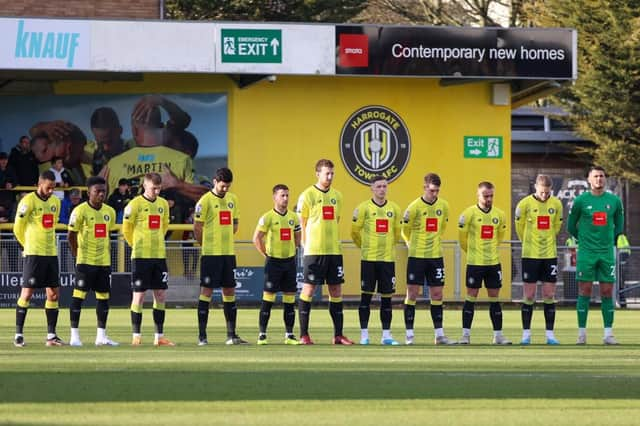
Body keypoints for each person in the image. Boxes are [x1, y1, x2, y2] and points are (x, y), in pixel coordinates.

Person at [296, 159, 353, 345]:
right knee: (309, 289)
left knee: (336, 290)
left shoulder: (338, 196)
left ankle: (338, 335)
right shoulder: (307, 195)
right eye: (326, 173)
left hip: (334, 251)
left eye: (332, 173)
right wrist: (305, 246)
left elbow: (335, 220)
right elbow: (302, 223)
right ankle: (304, 335)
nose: (330, 176)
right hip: (314, 251)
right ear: (317, 174)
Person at [567, 166, 624, 345]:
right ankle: (582, 334)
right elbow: (570, 226)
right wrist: (584, 240)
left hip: (606, 253)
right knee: (585, 291)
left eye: (602, 176)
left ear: (605, 179)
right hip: (586, 253)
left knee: (607, 292)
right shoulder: (581, 201)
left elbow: (619, 227)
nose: (599, 179)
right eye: (596, 176)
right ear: (589, 180)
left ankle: (608, 334)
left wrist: (607, 241)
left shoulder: (614, 201)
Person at [194, 167, 247, 345]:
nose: (225, 190)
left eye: (228, 186)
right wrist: (206, 245)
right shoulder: (205, 201)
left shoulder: (233, 200)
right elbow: (197, 228)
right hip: (211, 255)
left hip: (228, 254)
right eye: (223, 186)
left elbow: (235, 223)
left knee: (230, 291)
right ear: (215, 182)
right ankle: (202, 336)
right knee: (206, 292)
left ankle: (232, 335)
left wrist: (227, 235)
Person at [402, 173, 455, 345]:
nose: (435, 194)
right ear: (425, 188)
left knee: (437, 294)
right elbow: (405, 230)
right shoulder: (414, 207)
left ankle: (439, 335)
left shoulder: (444, 206)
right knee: (412, 293)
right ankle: (409, 335)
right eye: (432, 190)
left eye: (437, 191)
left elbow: (443, 226)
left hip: (436, 257)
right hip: (417, 256)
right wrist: (410, 243)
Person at [122, 172, 174, 346]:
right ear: (145, 186)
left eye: (159, 188)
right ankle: (136, 335)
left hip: (159, 256)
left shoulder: (164, 204)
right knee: (139, 296)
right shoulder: (134, 204)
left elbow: (165, 225)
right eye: (154, 188)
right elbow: (126, 230)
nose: (157, 192)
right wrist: (136, 244)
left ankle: (159, 337)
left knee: (160, 295)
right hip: (141, 257)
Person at [13, 171, 64, 347]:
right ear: (39, 184)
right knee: (27, 293)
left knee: (53, 293)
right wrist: (25, 246)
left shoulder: (56, 202)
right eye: (48, 187)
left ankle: (51, 336)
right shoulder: (28, 201)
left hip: (51, 253)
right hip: (33, 253)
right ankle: (18, 334)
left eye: (54, 187)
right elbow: (18, 228)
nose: (51, 191)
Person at [458, 181, 511, 345]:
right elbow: (462, 239)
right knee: (471, 297)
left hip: (493, 263)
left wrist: (491, 251)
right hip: (475, 263)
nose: (489, 199)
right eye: (485, 196)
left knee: (495, 298)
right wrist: (473, 253)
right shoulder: (468, 214)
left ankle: (498, 336)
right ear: (478, 195)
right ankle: (465, 336)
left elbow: (500, 237)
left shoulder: (499, 215)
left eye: (491, 196)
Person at [67, 176, 119, 347]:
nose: (101, 194)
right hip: (85, 261)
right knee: (78, 297)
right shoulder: (79, 211)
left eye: (103, 191)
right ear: (89, 192)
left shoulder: (109, 212)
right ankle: (74, 336)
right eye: (98, 191)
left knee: (104, 298)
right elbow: (71, 235)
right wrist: (77, 255)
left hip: (103, 262)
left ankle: (101, 337)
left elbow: (107, 233)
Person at [351, 175, 402, 345]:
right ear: (372, 188)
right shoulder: (363, 208)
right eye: (378, 186)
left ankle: (386, 335)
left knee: (387, 299)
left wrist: (388, 247)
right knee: (366, 297)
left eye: (384, 186)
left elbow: (396, 233)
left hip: (387, 260)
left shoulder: (394, 208)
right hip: (369, 260)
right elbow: (354, 232)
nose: (382, 189)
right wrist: (364, 247)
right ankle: (364, 335)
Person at [515, 174, 563, 345]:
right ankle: (526, 334)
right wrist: (528, 242)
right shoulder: (524, 204)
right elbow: (519, 228)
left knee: (549, 294)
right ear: (535, 187)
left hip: (550, 255)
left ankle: (550, 335)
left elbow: (557, 226)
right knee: (529, 295)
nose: (545, 195)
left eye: (547, 193)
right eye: (542, 192)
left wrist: (548, 238)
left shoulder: (556, 203)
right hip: (530, 255)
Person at [253, 184, 301, 345]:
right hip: (273, 262)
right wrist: (266, 254)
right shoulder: (267, 217)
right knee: (268, 299)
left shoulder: (294, 217)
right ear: (274, 197)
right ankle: (262, 335)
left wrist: (294, 249)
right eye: (282, 195)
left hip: (289, 263)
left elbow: (298, 236)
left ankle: (289, 335)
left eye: (287, 195)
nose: (286, 198)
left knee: (289, 301)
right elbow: (257, 238)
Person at [89, 107, 126, 175]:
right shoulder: (85, 152)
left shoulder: (136, 148)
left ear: (120, 130)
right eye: (100, 143)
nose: (106, 148)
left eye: (110, 142)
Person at [0, 152, 17, 223]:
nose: (4, 161)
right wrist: (4, 185)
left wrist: (12, 185)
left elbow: (16, 181)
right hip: (1, 201)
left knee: (11, 221)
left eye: (6, 159)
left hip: (10, 201)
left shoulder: (11, 169)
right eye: (2, 159)